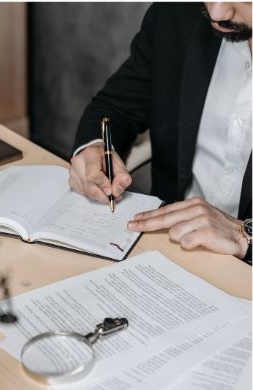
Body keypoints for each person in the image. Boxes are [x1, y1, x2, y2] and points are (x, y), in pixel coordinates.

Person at [69, 2, 252, 264]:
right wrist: (94, 148)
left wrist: (243, 235)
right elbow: (116, 107)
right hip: (166, 246)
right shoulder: (176, 12)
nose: (216, 13)